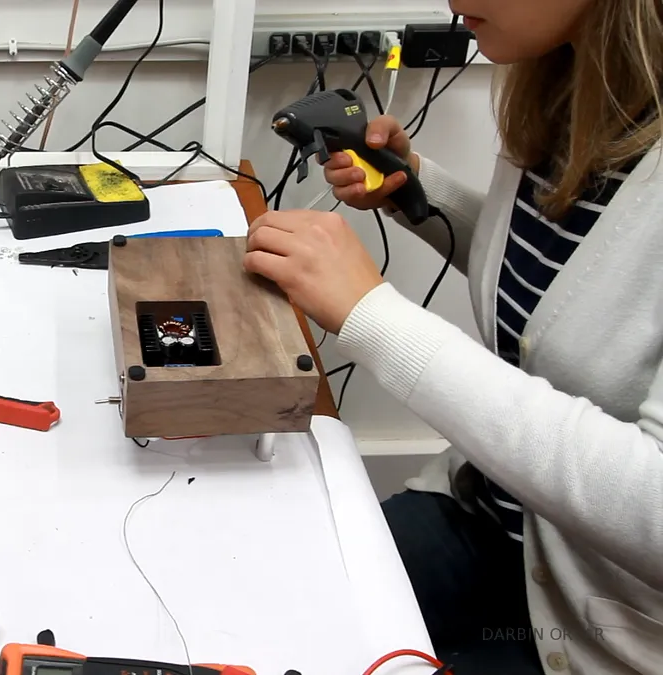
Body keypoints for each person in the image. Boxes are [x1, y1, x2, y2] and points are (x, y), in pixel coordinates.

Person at [244, 1, 663, 673]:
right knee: (255, 602)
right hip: (493, 517)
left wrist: (375, 317)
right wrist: (417, 190)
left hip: (605, 627)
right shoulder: (563, 88)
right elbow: (558, 292)